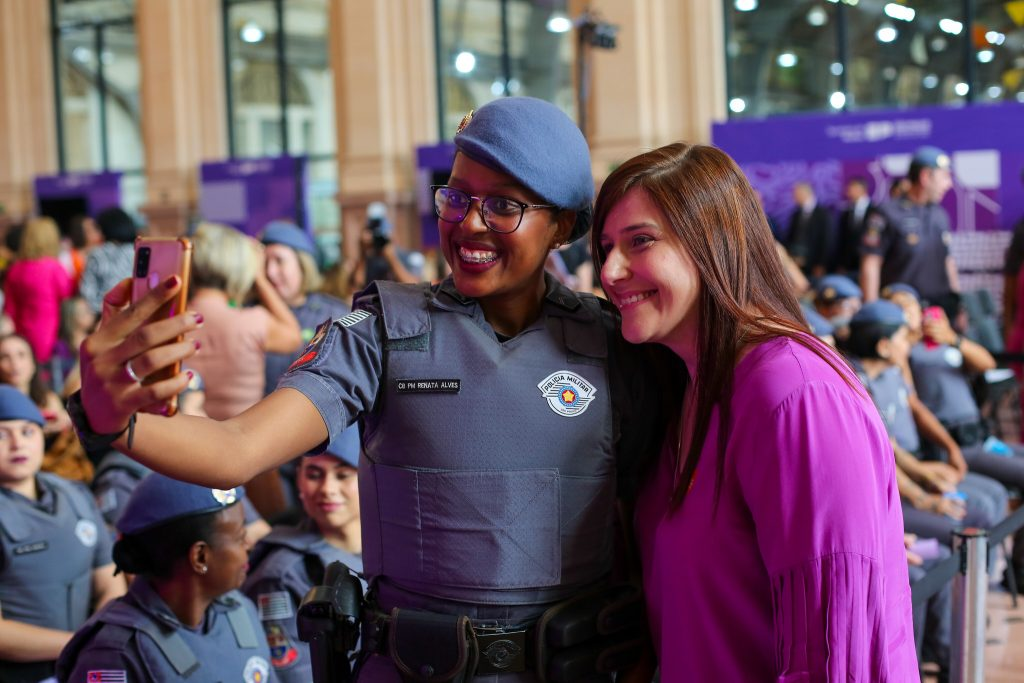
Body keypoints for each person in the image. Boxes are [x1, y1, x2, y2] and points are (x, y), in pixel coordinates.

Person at [70, 96, 662, 682]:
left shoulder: (612, 343)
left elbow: (649, 530)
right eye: (456, 196)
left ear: (562, 224)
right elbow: (236, 450)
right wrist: (110, 418)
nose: (469, 223)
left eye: (504, 205)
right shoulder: (383, 331)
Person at [593, 142, 918, 681]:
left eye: (640, 241)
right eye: (605, 248)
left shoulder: (795, 393)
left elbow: (837, 658)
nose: (610, 270)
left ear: (715, 243)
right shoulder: (691, 383)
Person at [55, 473, 276, 682]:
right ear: (200, 557)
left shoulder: (241, 610)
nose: (248, 547)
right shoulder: (115, 652)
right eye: (240, 538)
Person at [842, 300, 1008, 544]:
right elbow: (887, 452)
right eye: (903, 337)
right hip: (891, 483)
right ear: (884, 346)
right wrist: (926, 484)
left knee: (994, 496)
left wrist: (943, 459)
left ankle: (981, 579)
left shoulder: (893, 370)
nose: (909, 343)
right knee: (973, 515)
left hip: (914, 466)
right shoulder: (857, 383)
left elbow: (915, 411)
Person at [0, 386, 125, 682]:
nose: (18, 444)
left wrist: (96, 637)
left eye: (28, 432)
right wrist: (79, 643)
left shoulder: (75, 493)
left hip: (85, 664)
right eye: (2, 434)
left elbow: (110, 580)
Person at [185, 222, 302, 518]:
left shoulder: (174, 323)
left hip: (187, 456)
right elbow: (292, 334)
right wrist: (259, 278)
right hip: (250, 459)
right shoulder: (252, 322)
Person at [243, 428, 362, 682]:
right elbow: (294, 673)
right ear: (298, 481)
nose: (327, 489)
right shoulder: (283, 570)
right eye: (314, 474)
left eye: (343, 475)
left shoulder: (394, 551)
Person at [860, 146, 960, 316]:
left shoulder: (940, 215)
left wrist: (959, 304)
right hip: (902, 313)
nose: (949, 184)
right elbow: (871, 263)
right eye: (944, 177)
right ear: (925, 176)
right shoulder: (886, 213)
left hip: (939, 312)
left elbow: (947, 261)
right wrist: (873, 313)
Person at [260, 221, 351, 396]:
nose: (270, 271)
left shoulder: (333, 315)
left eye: (279, 261)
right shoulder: (251, 314)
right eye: (263, 263)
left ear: (303, 265)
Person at [2, 216, 74, 364]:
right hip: (49, 330)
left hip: (21, 330)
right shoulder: (53, 268)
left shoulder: (15, 269)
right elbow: (67, 296)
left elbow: (9, 308)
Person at [79, 208, 138, 314]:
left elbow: (86, 291)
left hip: (105, 316)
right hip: (135, 313)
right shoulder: (138, 251)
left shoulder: (97, 254)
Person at [783, 181, 833, 279]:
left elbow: (827, 241)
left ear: (805, 194)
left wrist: (821, 264)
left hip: (815, 263)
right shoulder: (796, 214)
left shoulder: (824, 214)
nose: (794, 197)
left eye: (796, 194)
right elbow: (792, 237)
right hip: (797, 261)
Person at [836, 176, 873, 274]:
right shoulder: (846, 213)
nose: (848, 191)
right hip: (848, 264)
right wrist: (841, 263)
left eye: (852, 188)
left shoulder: (875, 211)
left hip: (867, 261)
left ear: (861, 189)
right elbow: (842, 240)